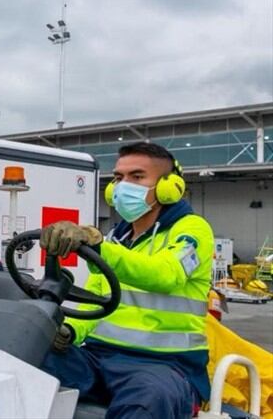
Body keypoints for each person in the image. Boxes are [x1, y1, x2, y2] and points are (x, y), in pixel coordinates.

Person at [40, 142, 213, 418]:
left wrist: (99, 248)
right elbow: (95, 301)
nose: (123, 186)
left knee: (147, 400)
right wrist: (69, 331)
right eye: (119, 178)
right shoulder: (116, 238)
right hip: (98, 357)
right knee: (27, 357)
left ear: (169, 187)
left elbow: (165, 273)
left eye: (137, 176)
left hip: (164, 366)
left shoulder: (192, 230)